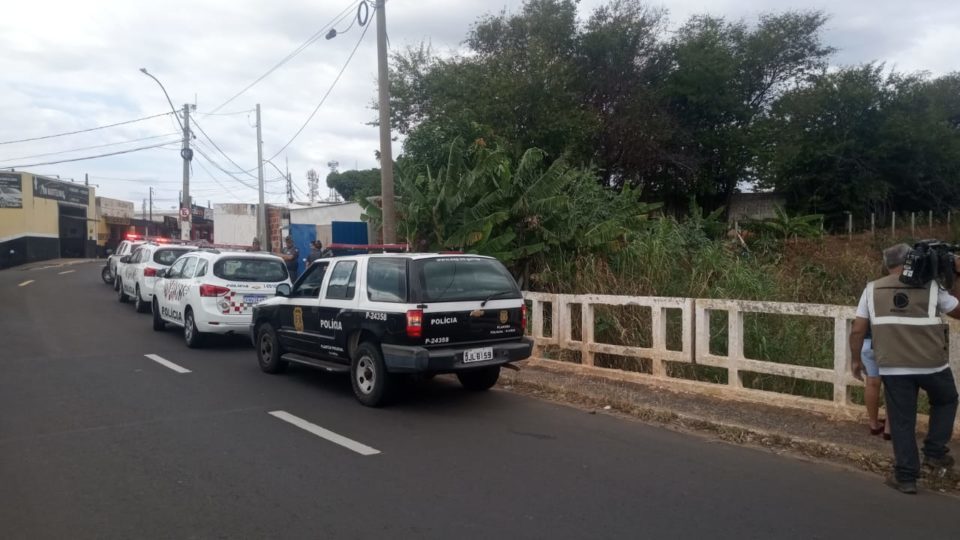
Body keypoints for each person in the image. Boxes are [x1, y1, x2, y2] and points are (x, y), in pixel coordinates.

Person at [849, 243, 960, 494]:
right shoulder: (932, 287)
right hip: (932, 364)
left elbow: (857, 330)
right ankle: (934, 451)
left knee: (901, 421)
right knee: (946, 400)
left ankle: (906, 477)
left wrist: (856, 360)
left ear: (887, 265)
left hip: (894, 367)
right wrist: (956, 276)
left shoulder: (871, 290)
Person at [861, 323, 891, 440]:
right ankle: (889, 429)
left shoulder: (866, 303)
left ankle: (874, 424)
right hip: (888, 343)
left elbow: (858, 328)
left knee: (872, 383)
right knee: (892, 384)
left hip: (867, 343)